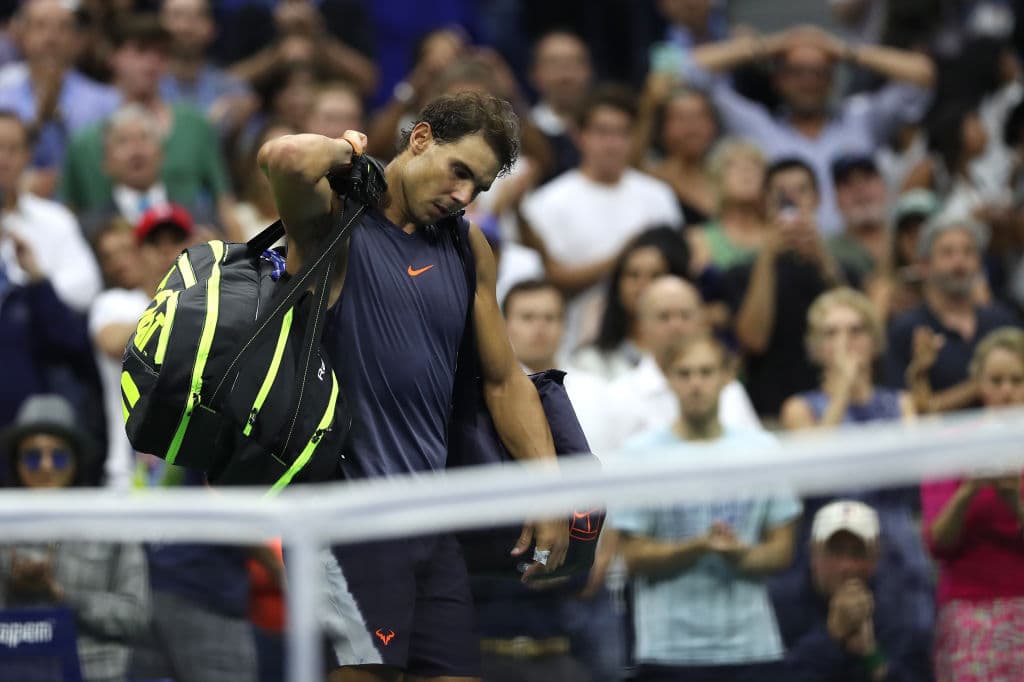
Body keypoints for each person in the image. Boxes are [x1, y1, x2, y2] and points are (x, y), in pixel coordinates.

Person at [258, 90, 569, 681]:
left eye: (477, 186)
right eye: (458, 172)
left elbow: (504, 379)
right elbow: (286, 158)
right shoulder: (333, 217)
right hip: (346, 521)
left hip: (432, 523)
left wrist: (550, 487)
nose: (462, 196)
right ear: (420, 138)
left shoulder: (466, 243)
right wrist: (347, 153)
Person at [610, 334, 801, 681]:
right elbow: (633, 557)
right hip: (669, 650)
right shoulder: (640, 456)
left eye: (706, 372)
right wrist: (697, 546)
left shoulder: (761, 450)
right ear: (668, 378)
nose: (696, 384)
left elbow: (782, 550)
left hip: (751, 645)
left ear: (727, 376)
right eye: (684, 374)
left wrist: (739, 555)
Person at [680, 24, 935, 235]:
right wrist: (772, 46)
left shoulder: (861, 120)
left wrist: (845, 51)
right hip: (787, 255)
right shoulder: (757, 127)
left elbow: (923, 76)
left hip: (859, 256)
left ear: (832, 79)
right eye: (796, 72)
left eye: (818, 72)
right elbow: (687, 68)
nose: (807, 81)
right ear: (778, 80)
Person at [520, 84, 683, 356]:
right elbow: (550, 279)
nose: (612, 143)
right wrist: (623, 257)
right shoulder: (546, 203)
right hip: (576, 345)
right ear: (579, 135)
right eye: (602, 132)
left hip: (654, 346)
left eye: (622, 133)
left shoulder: (659, 196)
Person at [0, 394, 150, 682]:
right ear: (17, 464)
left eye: (57, 455)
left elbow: (136, 617)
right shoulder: (4, 525)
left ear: (75, 461)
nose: (46, 466)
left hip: (95, 672)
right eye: (33, 457)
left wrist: (64, 596)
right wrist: (10, 582)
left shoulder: (110, 525)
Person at [60, 13, 241, 240]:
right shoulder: (85, 140)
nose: (151, 63)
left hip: (186, 245)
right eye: (140, 51)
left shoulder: (195, 125)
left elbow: (224, 201)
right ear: (113, 57)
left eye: (161, 54)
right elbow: (67, 211)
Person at [921, 327, 1024, 680]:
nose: (1006, 391)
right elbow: (937, 543)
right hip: (968, 612)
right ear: (979, 383)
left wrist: (1015, 501)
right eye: (996, 380)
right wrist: (968, 490)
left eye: (1016, 380)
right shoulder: (951, 446)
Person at [725, 157, 847, 420]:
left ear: (817, 199)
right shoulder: (741, 272)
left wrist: (822, 259)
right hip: (771, 409)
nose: (793, 201)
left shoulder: (842, 266)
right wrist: (768, 255)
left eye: (802, 190)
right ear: (765, 202)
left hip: (837, 405)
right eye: (781, 193)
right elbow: (753, 340)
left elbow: (857, 325)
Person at [88, 204, 195, 491]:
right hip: (129, 468)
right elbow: (112, 341)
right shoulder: (115, 303)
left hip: (196, 466)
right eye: (154, 243)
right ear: (138, 252)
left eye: (176, 241)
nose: (166, 251)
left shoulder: (216, 306)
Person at [771, 500, 934, 682]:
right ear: (813, 553)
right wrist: (832, 636)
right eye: (835, 551)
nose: (846, 566)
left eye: (858, 553)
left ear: (875, 557)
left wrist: (871, 655)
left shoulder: (898, 609)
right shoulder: (781, 606)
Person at [888, 214, 1019, 413]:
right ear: (924, 265)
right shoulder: (905, 330)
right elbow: (900, 410)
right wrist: (920, 372)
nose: (959, 262)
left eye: (968, 252)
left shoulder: (1004, 321)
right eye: (947, 253)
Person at [0, 0, 119, 190]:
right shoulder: (3, 95)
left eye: (62, 28)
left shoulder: (105, 101)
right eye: (40, 26)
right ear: (22, 35)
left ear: (77, 39)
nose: (51, 37)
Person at [782, 288, 913, 429]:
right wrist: (843, 387)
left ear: (874, 341)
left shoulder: (901, 402)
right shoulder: (799, 408)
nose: (844, 342)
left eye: (856, 330)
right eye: (831, 333)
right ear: (817, 347)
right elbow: (818, 450)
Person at [573, 227, 692, 381]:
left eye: (655, 275)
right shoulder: (591, 361)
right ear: (617, 285)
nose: (642, 286)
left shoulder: (697, 361)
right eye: (633, 275)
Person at [158, 0, 256, 137]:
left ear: (212, 28)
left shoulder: (233, 88)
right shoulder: (143, 84)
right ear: (159, 24)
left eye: (197, 16)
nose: (186, 27)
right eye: (177, 15)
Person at [636, 85, 720, 225]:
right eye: (681, 118)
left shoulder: (726, 178)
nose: (692, 128)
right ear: (663, 128)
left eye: (699, 117)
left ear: (713, 125)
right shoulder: (652, 179)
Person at [687, 137, 769, 274]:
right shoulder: (698, 239)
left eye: (754, 166)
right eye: (734, 166)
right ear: (717, 179)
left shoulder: (781, 237)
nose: (746, 172)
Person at [528, 30, 593, 181]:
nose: (565, 76)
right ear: (534, 73)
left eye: (574, 63)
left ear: (588, 71)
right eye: (554, 64)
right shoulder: (521, 134)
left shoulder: (611, 130)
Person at [827, 154, 892, 282]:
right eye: (848, 183)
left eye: (868, 179)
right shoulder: (826, 253)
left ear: (884, 187)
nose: (860, 190)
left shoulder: (908, 236)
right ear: (836, 198)